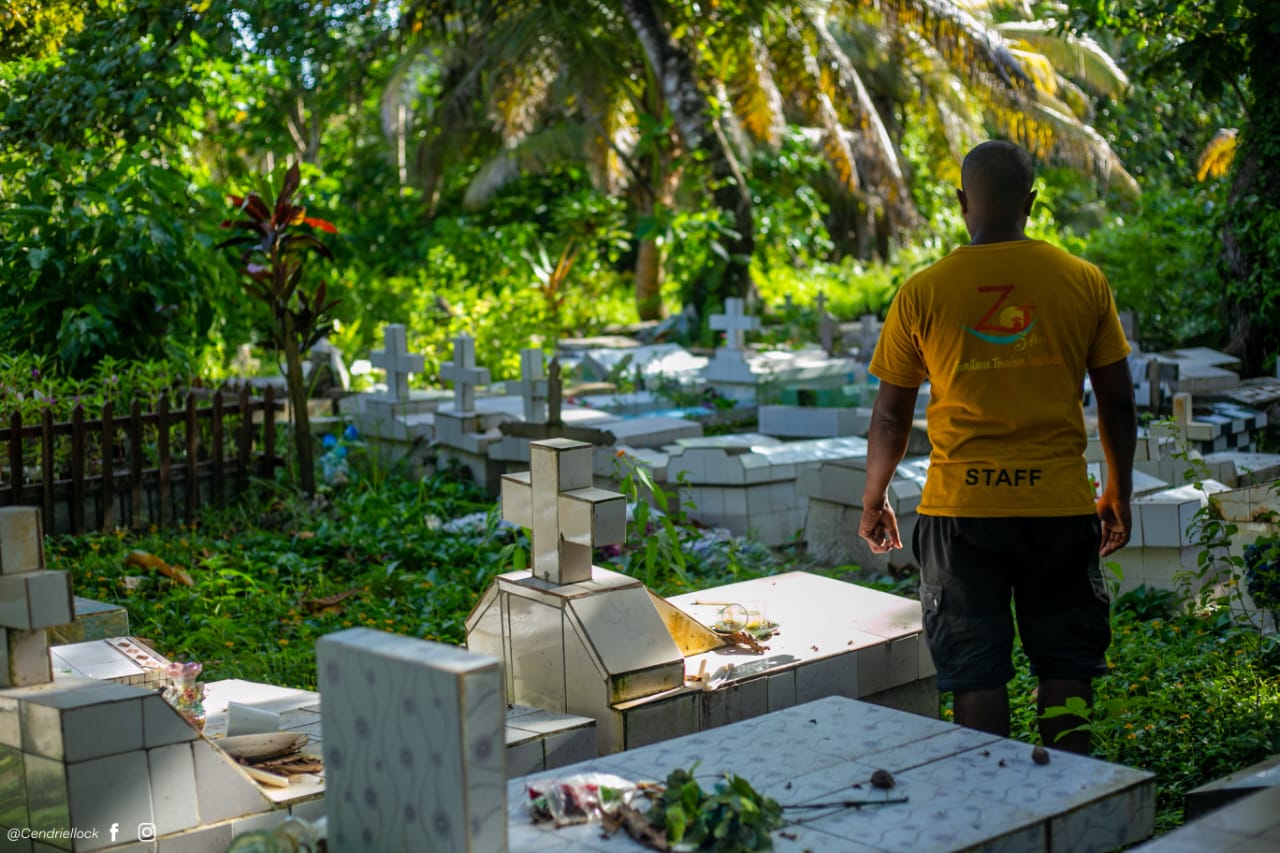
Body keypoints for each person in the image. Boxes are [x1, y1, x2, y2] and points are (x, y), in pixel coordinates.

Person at [857, 140, 1137, 754]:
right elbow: (1117, 401)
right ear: (1031, 204)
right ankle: (1070, 798)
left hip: (960, 513)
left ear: (962, 202)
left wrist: (875, 495)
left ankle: (993, 811)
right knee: (1066, 659)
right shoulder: (1082, 281)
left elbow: (890, 413)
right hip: (1059, 508)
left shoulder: (923, 291)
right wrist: (1118, 487)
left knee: (975, 670)